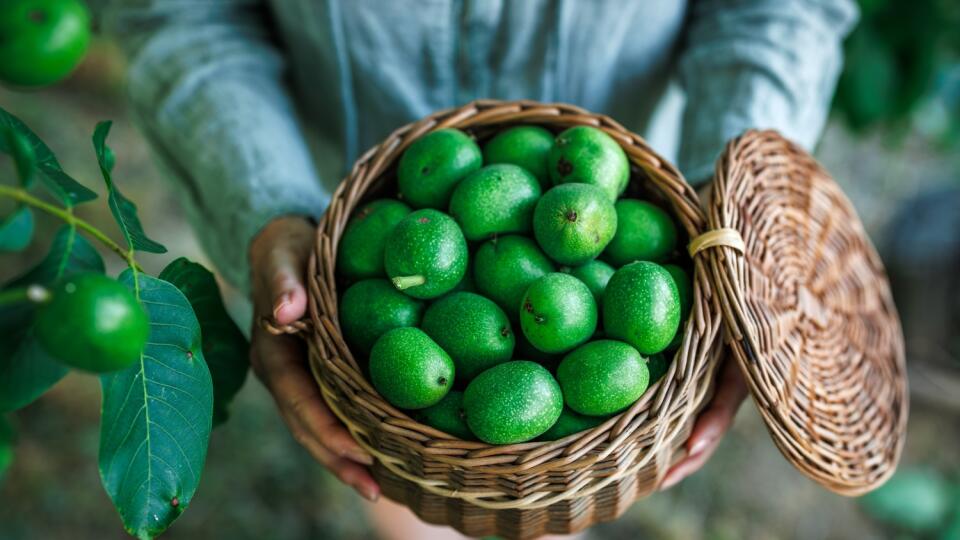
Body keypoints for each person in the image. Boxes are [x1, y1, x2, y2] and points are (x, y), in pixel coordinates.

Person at [104, 0, 858, 537]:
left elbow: (782, 10)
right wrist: (265, 206)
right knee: (409, 466)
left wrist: (733, 216)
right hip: (349, 203)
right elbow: (175, 14)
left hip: (636, 191)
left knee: (545, 488)